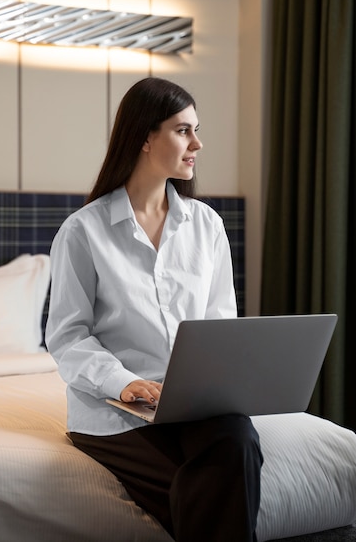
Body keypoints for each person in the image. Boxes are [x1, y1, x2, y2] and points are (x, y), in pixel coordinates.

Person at [45, 77, 263, 542]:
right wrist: (126, 384)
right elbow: (67, 337)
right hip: (112, 411)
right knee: (215, 476)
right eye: (184, 131)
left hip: (194, 403)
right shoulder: (83, 231)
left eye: (196, 130)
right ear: (146, 137)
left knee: (238, 441)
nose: (197, 144)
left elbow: (220, 325)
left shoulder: (207, 225)